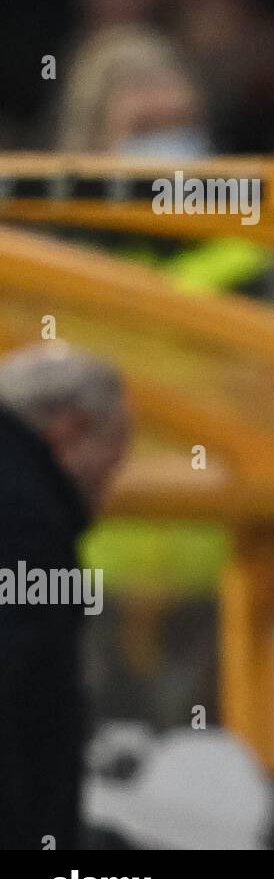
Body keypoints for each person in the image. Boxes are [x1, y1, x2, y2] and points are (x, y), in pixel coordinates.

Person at [0, 344, 131, 850]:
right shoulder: (27, 523)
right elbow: (17, 686)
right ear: (68, 431)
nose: (108, 489)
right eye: (113, 457)